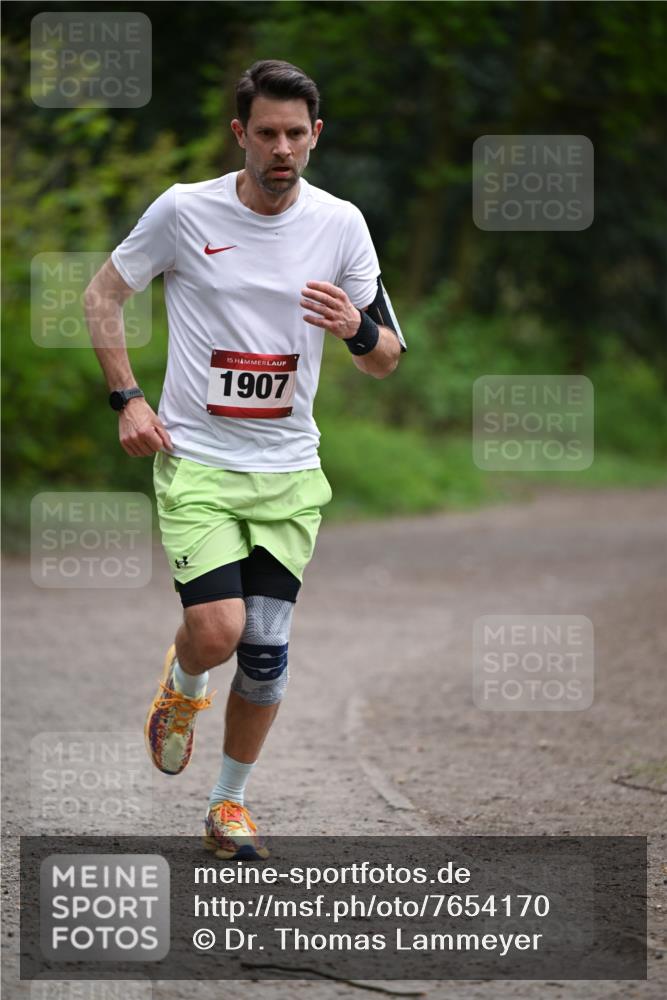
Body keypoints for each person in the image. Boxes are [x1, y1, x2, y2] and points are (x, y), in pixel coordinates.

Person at [84, 59, 406, 861]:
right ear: (241, 135)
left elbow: (387, 356)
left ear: (316, 136)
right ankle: (184, 684)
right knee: (217, 631)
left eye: (296, 134)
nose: (281, 148)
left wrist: (356, 331)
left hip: (290, 471)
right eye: (266, 133)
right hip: (196, 460)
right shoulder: (183, 212)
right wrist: (127, 398)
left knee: (264, 655)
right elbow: (102, 296)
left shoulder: (341, 226)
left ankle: (227, 807)